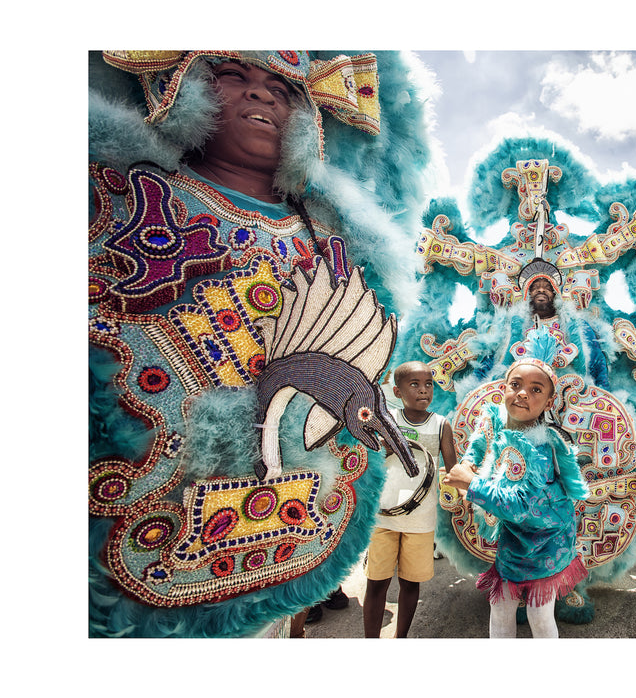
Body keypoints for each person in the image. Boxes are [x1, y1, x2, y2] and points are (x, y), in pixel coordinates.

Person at [88, 51, 431, 638]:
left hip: (292, 533)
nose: (261, 95)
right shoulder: (112, 191)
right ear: (181, 88)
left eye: (280, 87)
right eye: (233, 76)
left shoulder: (335, 234)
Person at [443, 331, 590, 638]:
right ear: (504, 389)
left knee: (539, 612)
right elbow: (480, 441)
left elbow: (521, 506)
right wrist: (470, 461)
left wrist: (471, 483)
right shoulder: (495, 417)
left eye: (535, 390)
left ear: (549, 401)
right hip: (513, 540)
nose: (523, 394)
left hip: (547, 539)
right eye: (516, 385)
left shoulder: (538, 447)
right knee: (500, 607)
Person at [362, 361, 457, 638]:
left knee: (410, 582)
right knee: (376, 583)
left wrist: (469, 486)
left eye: (428, 384)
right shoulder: (386, 420)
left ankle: (400, 638)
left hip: (421, 519)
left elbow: (452, 470)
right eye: (414, 384)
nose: (423, 390)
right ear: (397, 390)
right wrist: (383, 448)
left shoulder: (441, 425)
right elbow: (368, 461)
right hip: (384, 516)